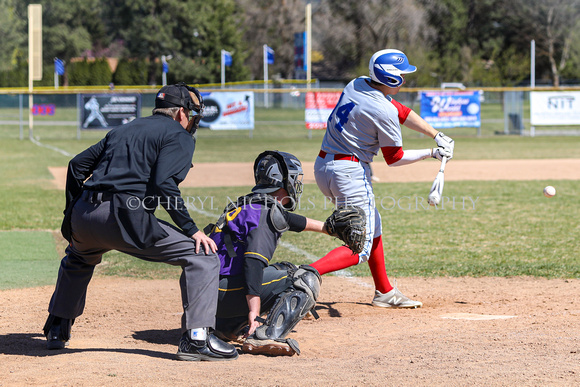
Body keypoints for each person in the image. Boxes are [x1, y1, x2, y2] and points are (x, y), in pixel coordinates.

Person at [43, 82, 238, 361]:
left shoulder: (124, 128)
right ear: (181, 112)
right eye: (193, 114)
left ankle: (57, 329)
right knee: (204, 257)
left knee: (79, 257)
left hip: (85, 214)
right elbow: (164, 184)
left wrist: (70, 216)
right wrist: (192, 230)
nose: (194, 120)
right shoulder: (179, 135)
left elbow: (77, 166)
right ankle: (197, 339)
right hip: (124, 217)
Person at [312, 49, 455, 308]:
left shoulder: (356, 84)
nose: (403, 78)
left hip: (324, 167)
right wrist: (432, 153)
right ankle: (305, 275)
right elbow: (394, 158)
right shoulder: (381, 110)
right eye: (401, 74)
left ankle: (385, 292)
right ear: (390, 79)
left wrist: (435, 134)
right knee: (360, 246)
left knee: (372, 225)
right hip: (349, 174)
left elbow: (400, 110)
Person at [208, 150, 327, 356]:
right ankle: (265, 336)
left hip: (208, 295)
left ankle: (227, 327)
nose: (296, 184)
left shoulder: (250, 203)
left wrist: (329, 228)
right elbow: (252, 264)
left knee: (284, 268)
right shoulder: (265, 213)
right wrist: (254, 312)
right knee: (303, 277)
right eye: (294, 178)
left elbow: (292, 221)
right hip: (222, 294)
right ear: (283, 182)